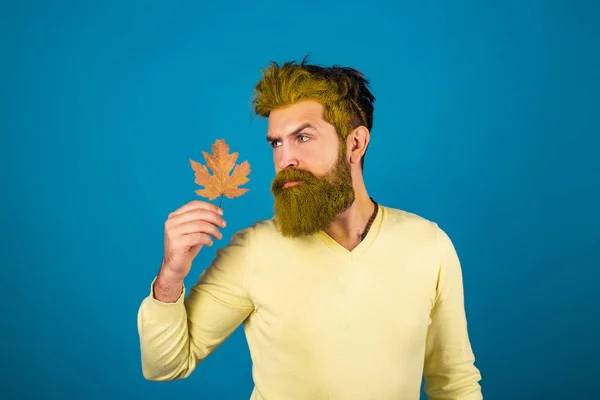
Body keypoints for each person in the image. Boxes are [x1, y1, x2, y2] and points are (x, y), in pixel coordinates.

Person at [137, 56, 483, 399]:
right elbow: (167, 365)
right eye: (276, 143)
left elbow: (454, 383)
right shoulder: (254, 249)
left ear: (355, 144)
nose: (285, 159)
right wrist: (170, 276)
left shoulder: (429, 244)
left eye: (302, 138)